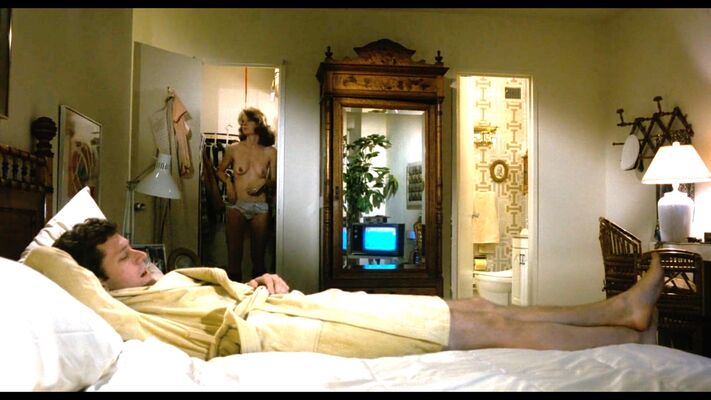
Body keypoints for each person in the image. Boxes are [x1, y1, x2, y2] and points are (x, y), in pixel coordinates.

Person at [52, 218, 662, 361]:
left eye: (133, 248)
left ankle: (617, 310)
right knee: (484, 326)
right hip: (292, 332)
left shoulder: (165, 283)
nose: (142, 257)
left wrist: (259, 281)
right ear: (98, 280)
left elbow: (222, 294)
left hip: (299, 305)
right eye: (125, 257)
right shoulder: (118, 310)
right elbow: (52, 268)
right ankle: (627, 340)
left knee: (474, 304)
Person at [216, 107, 277, 282]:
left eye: (247, 120)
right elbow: (220, 171)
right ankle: (233, 293)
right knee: (234, 256)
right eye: (241, 121)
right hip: (237, 205)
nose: (243, 124)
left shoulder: (270, 152)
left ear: (258, 123)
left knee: (259, 258)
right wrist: (229, 183)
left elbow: (274, 180)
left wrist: (263, 182)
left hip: (260, 207)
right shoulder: (233, 149)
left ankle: (258, 293)